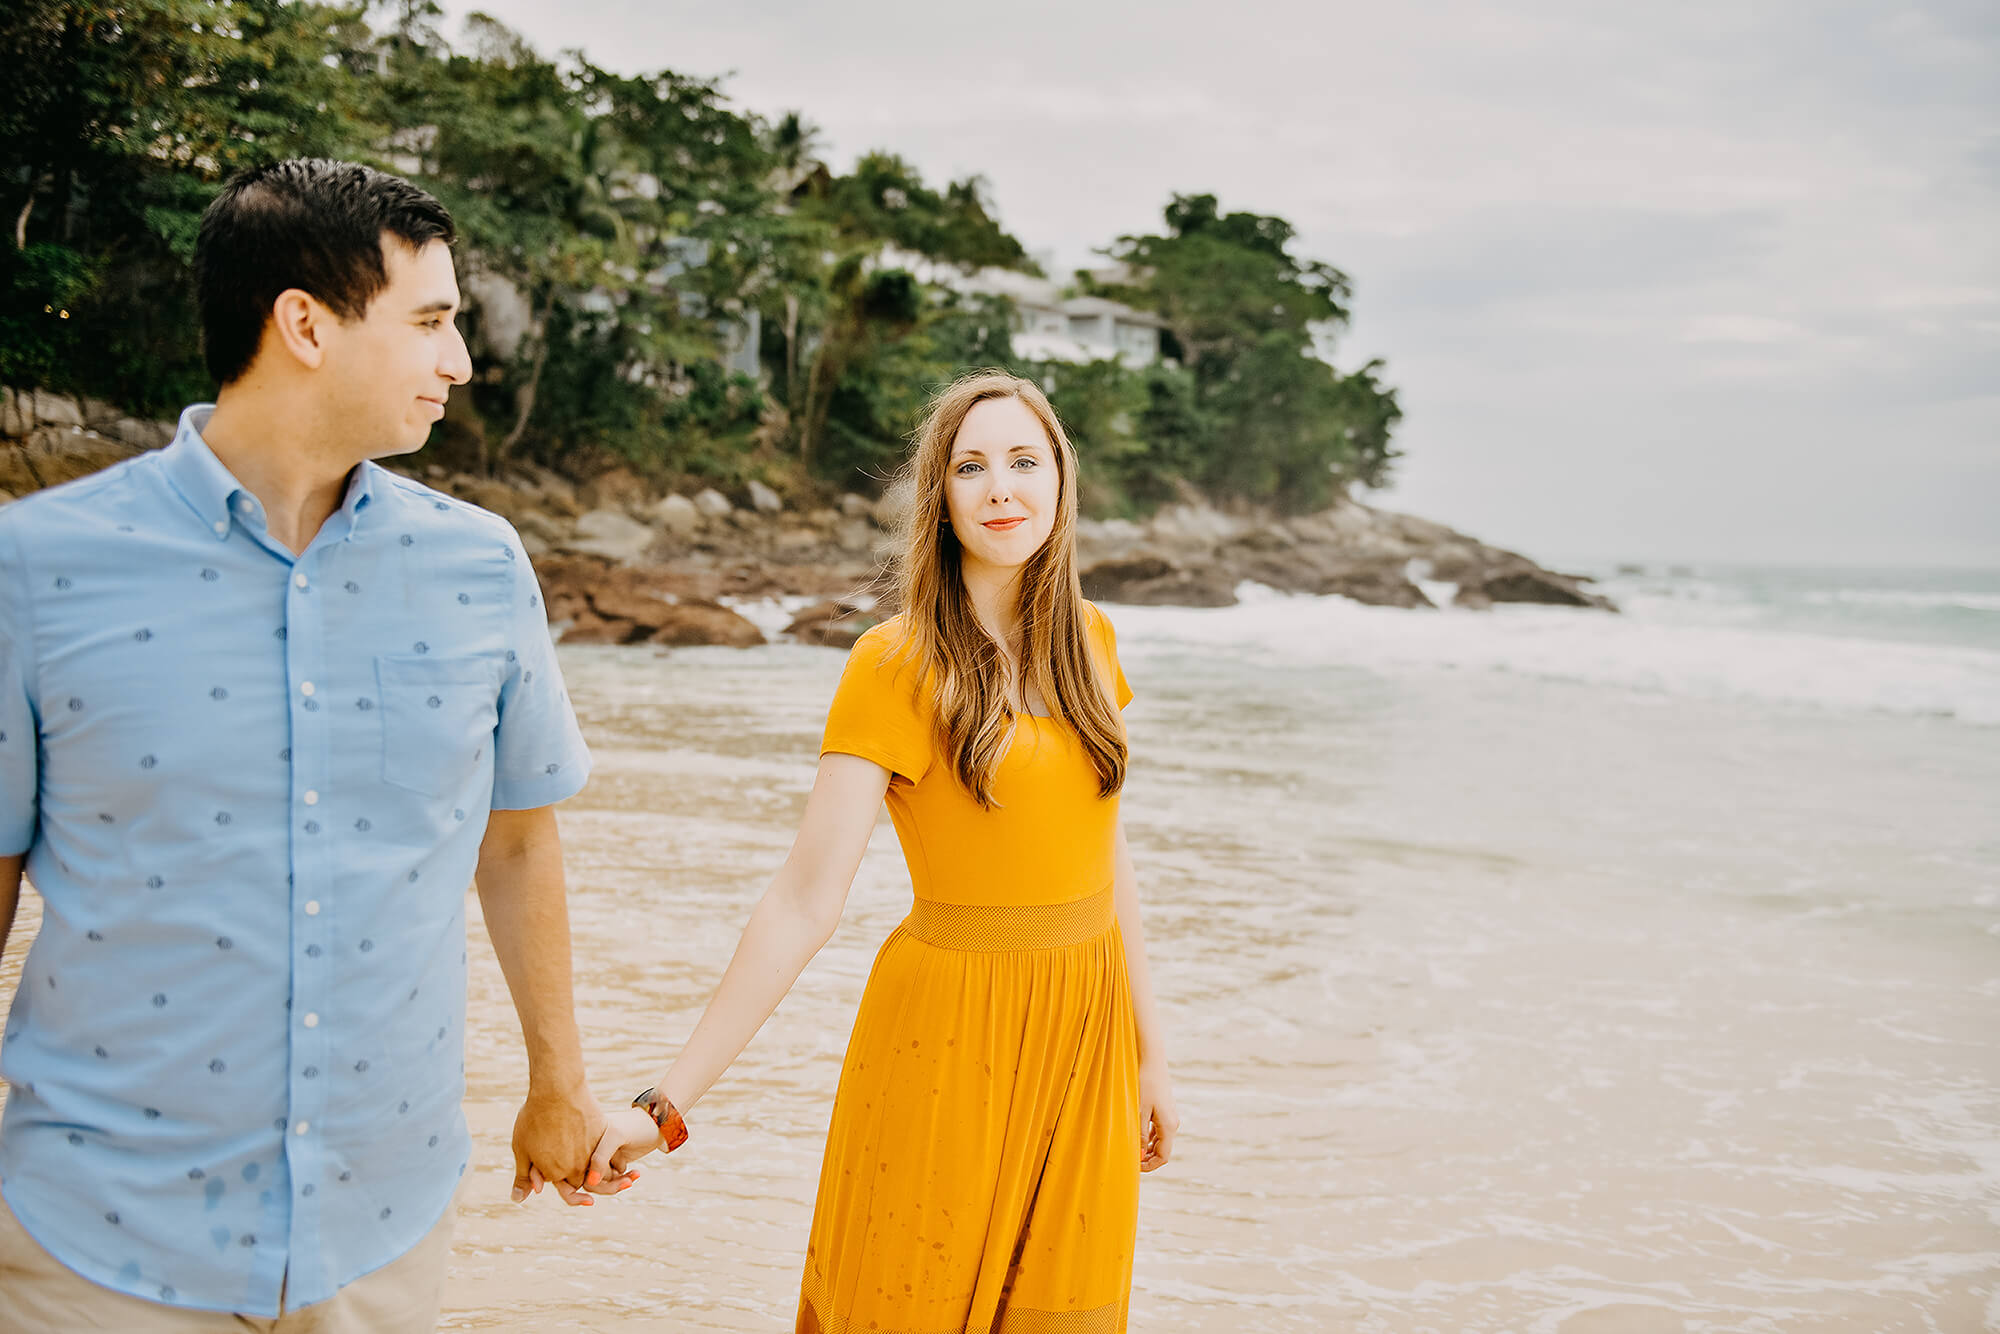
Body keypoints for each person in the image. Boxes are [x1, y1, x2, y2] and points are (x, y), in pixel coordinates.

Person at [0, 158, 616, 1333]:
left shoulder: (481, 565)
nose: (460, 362)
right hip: (93, 1237)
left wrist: (557, 1084)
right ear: (304, 326)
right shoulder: (34, 568)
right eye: (430, 321)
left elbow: (519, 843)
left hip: (379, 1226)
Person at [588, 370, 1180, 1333]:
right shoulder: (896, 663)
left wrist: (1152, 1055)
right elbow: (803, 900)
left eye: (1025, 462)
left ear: (1062, 483)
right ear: (939, 500)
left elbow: (1109, 860)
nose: (1001, 489)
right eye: (971, 467)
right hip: (947, 1038)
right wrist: (662, 1105)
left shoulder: (1092, 642)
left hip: (1085, 1033)